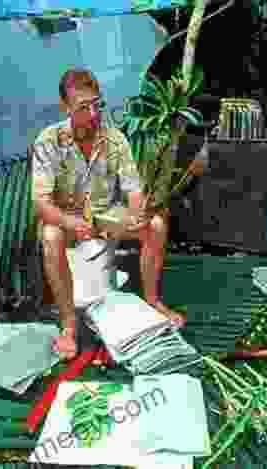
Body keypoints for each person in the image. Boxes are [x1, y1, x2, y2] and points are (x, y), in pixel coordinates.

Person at [31, 69, 185, 359]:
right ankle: (68, 324)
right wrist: (69, 222)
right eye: (83, 107)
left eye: (97, 105)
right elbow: (41, 203)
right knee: (50, 235)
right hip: (67, 218)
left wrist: (137, 212)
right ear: (65, 107)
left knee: (155, 225)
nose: (93, 113)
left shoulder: (115, 139)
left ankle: (152, 300)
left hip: (104, 214)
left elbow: (133, 189)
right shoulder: (48, 141)